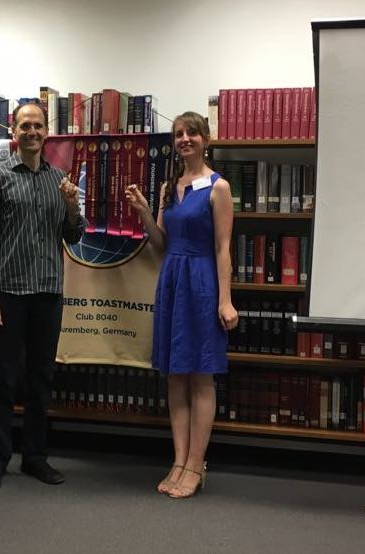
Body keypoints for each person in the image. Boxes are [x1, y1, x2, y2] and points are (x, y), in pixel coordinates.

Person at [0, 102, 85, 490]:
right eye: (25, 126)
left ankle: (35, 457)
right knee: (3, 379)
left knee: (41, 379)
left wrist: (71, 206)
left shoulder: (60, 180)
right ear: (13, 131)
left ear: (46, 132)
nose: (32, 132)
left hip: (49, 293)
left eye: (38, 126)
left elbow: (73, 235)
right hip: (9, 293)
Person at [125, 111, 238, 499]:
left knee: (200, 375)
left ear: (206, 139)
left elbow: (224, 248)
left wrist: (225, 300)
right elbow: (160, 244)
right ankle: (178, 460)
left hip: (203, 282)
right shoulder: (167, 187)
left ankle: (196, 464)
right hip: (172, 280)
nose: (185, 138)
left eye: (192, 133)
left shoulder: (218, 187)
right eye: (179, 134)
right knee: (175, 375)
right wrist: (143, 209)